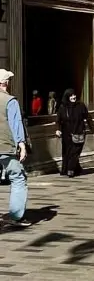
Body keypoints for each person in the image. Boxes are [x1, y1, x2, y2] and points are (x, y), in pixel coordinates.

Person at [0, 70, 30, 228]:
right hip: (5, 147)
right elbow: (16, 124)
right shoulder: (10, 101)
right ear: (6, 83)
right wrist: (22, 145)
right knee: (18, 178)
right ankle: (16, 216)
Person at [55, 88, 94, 178]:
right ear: (67, 97)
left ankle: (71, 169)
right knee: (67, 152)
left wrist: (93, 130)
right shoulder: (62, 107)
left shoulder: (80, 106)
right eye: (71, 95)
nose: (73, 97)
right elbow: (58, 120)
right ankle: (70, 169)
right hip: (66, 134)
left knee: (75, 152)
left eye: (74, 95)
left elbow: (88, 117)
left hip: (79, 132)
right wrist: (58, 129)